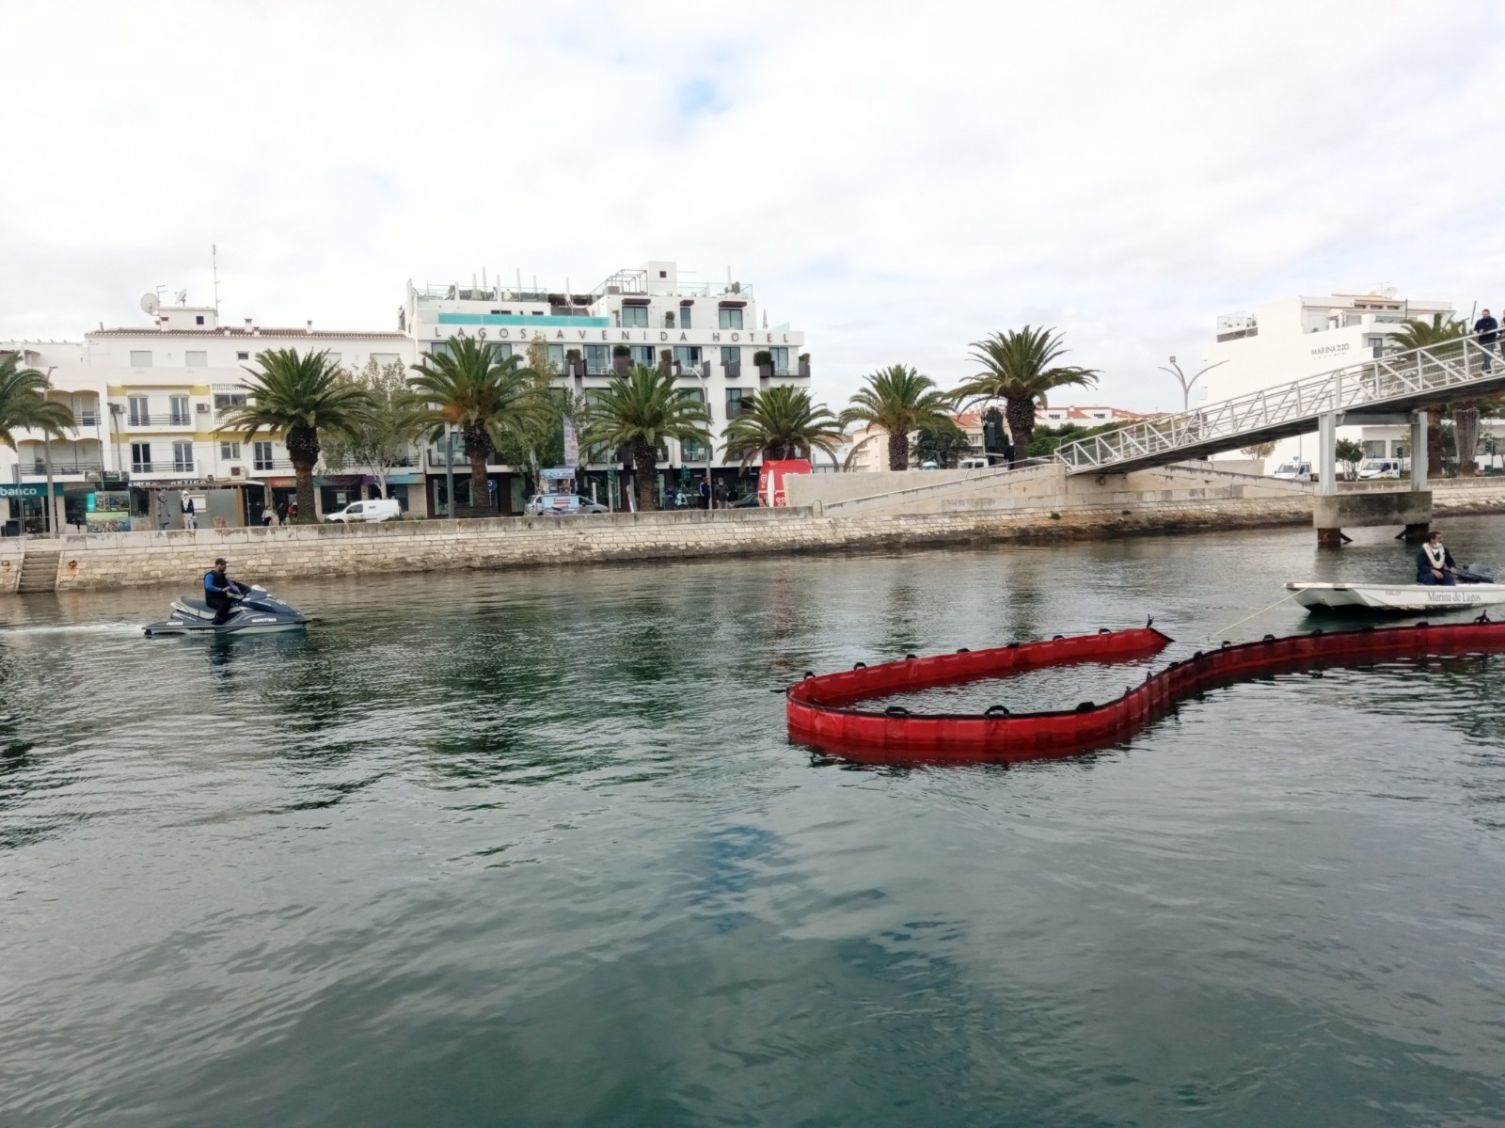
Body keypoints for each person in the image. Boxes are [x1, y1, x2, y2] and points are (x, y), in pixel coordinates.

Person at [203, 557, 247, 623]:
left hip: (223, 598)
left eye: (225, 564)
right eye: (222, 564)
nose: (225, 566)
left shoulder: (223, 577)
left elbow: (231, 588)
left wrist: (240, 592)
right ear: (216, 565)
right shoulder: (210, 575)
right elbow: (208, 586)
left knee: (240, 601)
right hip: (212, 599)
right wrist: (220, 589)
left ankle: (240, 619)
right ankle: (217, 621)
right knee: (224, 605)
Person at [1475, 308, 1498, 373]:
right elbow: (1476, 329)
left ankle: (1486, 368)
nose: (1484, 315)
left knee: (1489, 354)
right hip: (1482, 341)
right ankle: (1487, 368)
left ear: (1489, 314)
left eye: (1486, 314)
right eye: (1483, 314)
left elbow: (1494, 327)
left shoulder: (1492, 320)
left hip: (1490, 340)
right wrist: (1479, 331)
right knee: (1485, 355)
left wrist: (1485, 330)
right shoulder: (1479, 321)